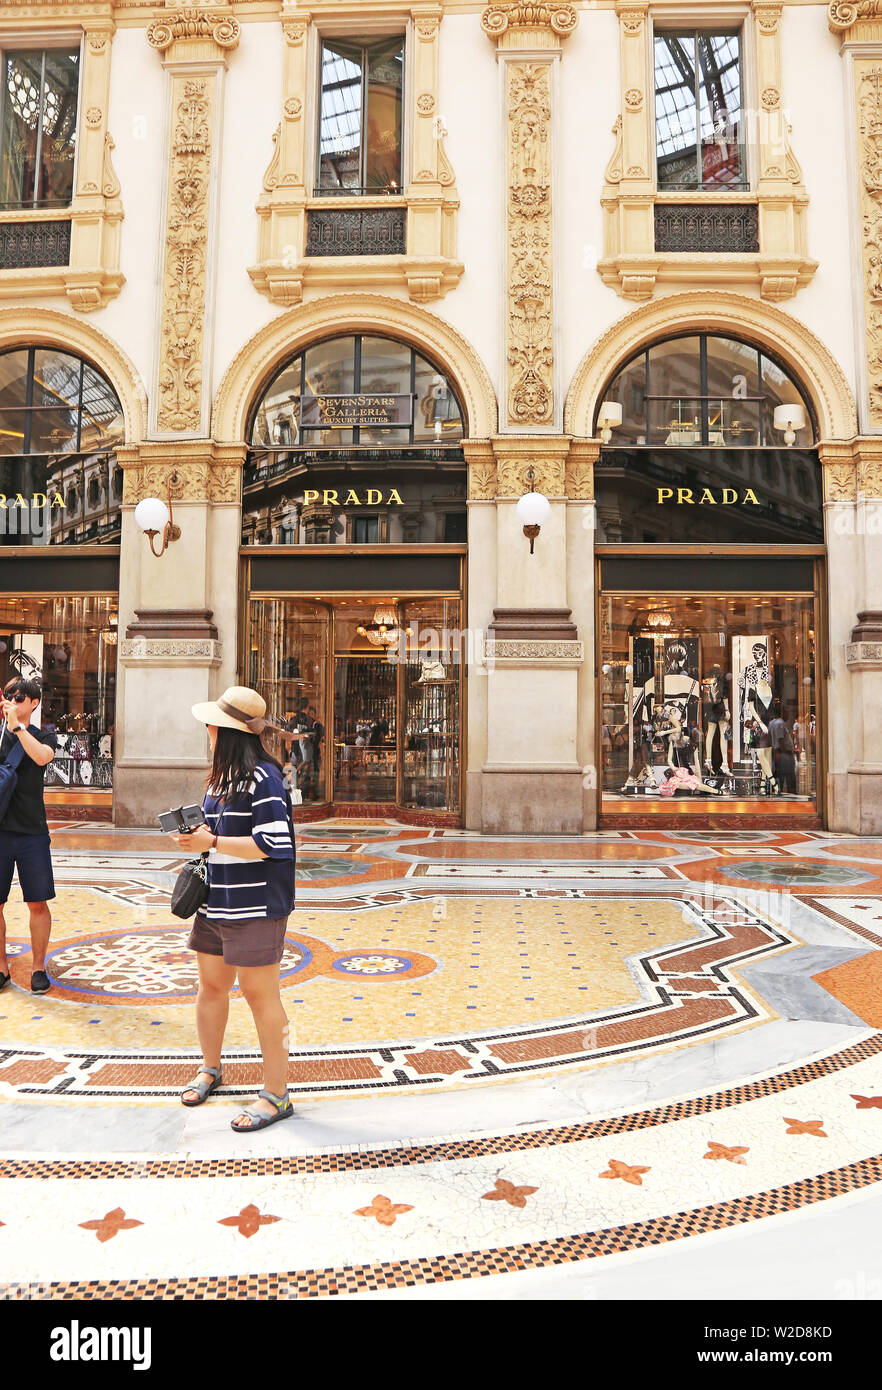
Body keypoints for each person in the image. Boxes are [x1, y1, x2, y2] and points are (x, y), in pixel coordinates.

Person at [170, 686, 296, 1133]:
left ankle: (276, 1095)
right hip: (217, 899)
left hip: (256, 905)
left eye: (211, 724)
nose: (206, 729)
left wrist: (213, 841)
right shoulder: (221, 779)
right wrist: (195, 837)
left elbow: (273, 844)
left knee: (262, 996)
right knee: (211, 987)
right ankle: (210, 1068)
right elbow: (214, 833)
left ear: (225, 731)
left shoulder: (266, 778)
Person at [0, 677, 57, 994]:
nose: (13, 701)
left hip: (32, 832)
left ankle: (38, 967)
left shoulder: (43, 734)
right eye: (9, 696)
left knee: (37, 901)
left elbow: (41, 757)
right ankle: (1, 967)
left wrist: (17, 728)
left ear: (34, 703)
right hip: (0, 831)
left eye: (20, 697)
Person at [769, 700, 797, 794]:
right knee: (789, 777)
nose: (788, 715)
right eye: (786, 712)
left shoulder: (772, 723)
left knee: (779, 776)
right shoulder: (780, 723)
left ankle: (777, 792)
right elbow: (780, 740)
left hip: (777, 753)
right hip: (783, 754)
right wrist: (787, 752)